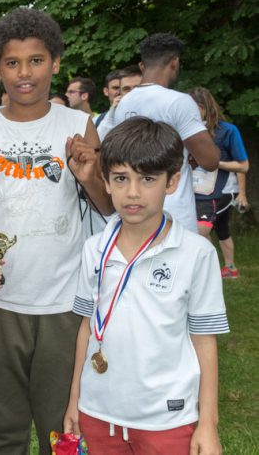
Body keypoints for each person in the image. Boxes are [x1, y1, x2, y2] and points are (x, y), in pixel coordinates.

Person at [0, 7, 112, 455]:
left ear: (55, 62)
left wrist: (89, 173)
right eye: (13, 63)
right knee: (3, 426)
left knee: (63, 428)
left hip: (66, 303)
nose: (25, 73)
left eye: (36, 60)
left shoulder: (78, 127)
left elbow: (109, 207)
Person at [64, 117, 228, 455]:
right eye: (121, 179)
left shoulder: (196, 254)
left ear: (172, 182)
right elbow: (86, 328)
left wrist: (208, 424)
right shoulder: (95, 248)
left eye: (148, 179)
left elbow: (204, 341)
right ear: (106, 182)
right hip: (97, 413)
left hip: (166, 419)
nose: (133, 192)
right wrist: (74, 401)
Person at [101, 33, 220, 231]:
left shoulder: (124, 104)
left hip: (135, 208)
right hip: (173, 210)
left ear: (142, 66)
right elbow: (210, 161)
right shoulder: (179, 102)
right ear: (174, 63)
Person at [189, 87, 249, 278]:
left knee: (201, 231)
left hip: (221, 192)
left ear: (201, 107)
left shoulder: (228, 130)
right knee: (221, 229)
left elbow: (243, 166)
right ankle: (229, 268)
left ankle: (207, 273)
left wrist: (214, 162)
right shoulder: (185, 130)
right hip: (192, 191)